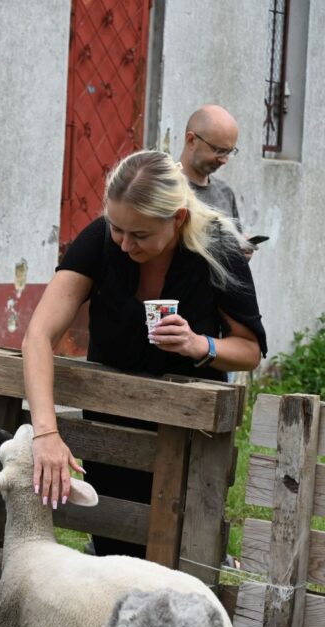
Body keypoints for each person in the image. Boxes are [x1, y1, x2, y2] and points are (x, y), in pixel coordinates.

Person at [22, 149, 266, 557]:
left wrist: (199, 345)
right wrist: (46, 433)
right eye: (118, 228)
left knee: (179, 563)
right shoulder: (101, 240)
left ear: (179, 219)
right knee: (115, 555)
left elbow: (250, 350)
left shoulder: (217, 251)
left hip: (189, 434)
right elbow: (38, 337)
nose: (124, 243)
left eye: (140, 235)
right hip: (111, 429)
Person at [179, 104, 258, 260]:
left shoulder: (225, 193)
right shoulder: (165, 189)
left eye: (229, 152)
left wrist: (241, 255)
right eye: (219, 150)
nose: (224, 160)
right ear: (191, 140)